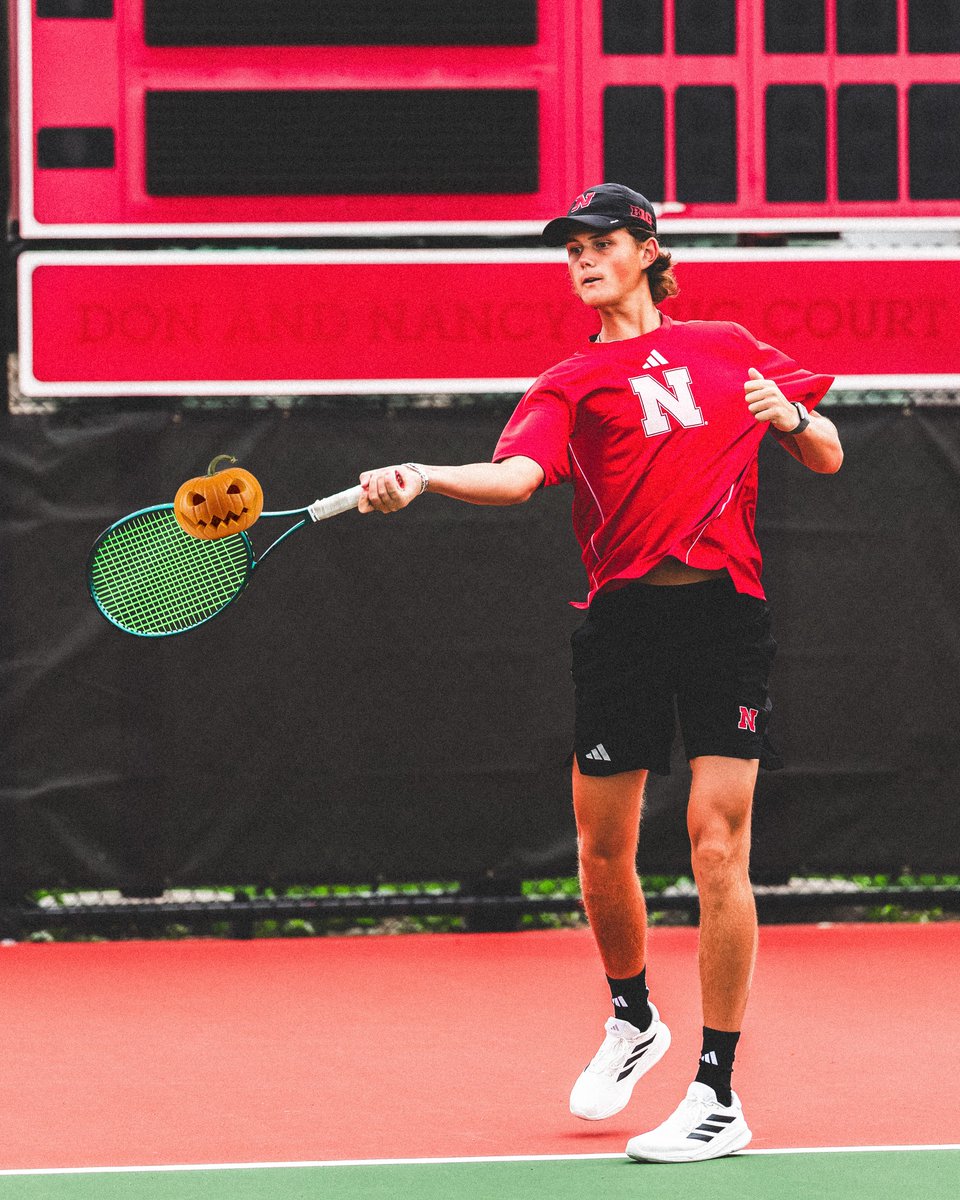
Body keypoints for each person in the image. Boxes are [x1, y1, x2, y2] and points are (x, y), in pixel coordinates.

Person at [358, 183, 843, 1164]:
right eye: (569, 249)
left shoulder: (732, 343)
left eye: (600, 242)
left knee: (718, 843)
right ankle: (634, 1017)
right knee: (602, 849)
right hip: (622, 620)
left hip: (724, 614)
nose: (581, 260)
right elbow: (520, 478)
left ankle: (716, 1090)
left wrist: (788, 413)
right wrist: (428, 474)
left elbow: (828, 454)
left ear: (647, 247)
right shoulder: (568, 382)